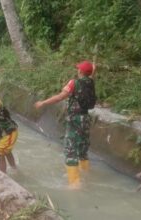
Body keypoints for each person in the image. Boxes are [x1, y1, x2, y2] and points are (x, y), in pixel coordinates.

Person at [35, 61, 96, 189]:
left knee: (70, 150)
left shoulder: (74, 83)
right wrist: (92, 69)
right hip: (85, 119)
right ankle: (86, 176)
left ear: (80, 71)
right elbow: (90, 75)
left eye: (78, 69)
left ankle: (74, 184)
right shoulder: (90, 82)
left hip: (74, 120)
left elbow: (59, 97)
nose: (77, 70)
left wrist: (43, 103)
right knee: (82, 149)